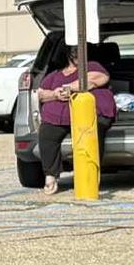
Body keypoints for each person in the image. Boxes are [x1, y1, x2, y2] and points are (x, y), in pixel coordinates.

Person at [35, 52, 114, 196]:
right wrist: (55, 94)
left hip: (89, 115)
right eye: (73, 51)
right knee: (46, 134)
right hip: (57, 117)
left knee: (90, 135)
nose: (77, 54)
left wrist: (68, 88)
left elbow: (97, 79)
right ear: (67, 55)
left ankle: (87, 177)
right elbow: (40, 93)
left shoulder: (92, 66)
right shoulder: (54, 74)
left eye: (79, 51)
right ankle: (51, 176)